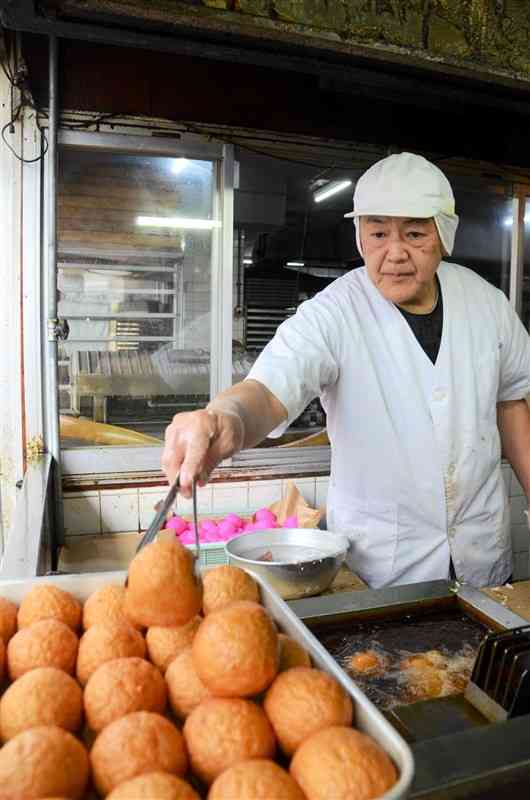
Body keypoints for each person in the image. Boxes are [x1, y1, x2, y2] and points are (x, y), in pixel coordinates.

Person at [162, 152, 530, 589]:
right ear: (360, 237)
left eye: (414, 234)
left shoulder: (487, 305)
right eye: (377, 233)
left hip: (482, 551)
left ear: (444, 234)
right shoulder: (332, 314)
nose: (394, 253)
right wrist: (225, 419)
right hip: (384, 566)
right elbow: (266, 392)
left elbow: (511, 401)